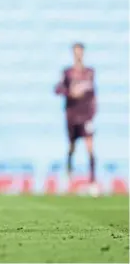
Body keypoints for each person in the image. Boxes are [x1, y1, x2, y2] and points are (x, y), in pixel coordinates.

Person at [55, 42, 98, 195]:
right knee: (72, 147)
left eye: (80, 52)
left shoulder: (89, 72)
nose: (78, 54)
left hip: (86, 115)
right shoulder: (67, 72)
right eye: (75, 52)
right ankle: (69, 177)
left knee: (90, 147)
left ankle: (93, 182)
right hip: (72, 115)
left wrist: (94, 112)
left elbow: (94, 94)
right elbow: (57, 89)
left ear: (83, 53)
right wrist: (69, 92)